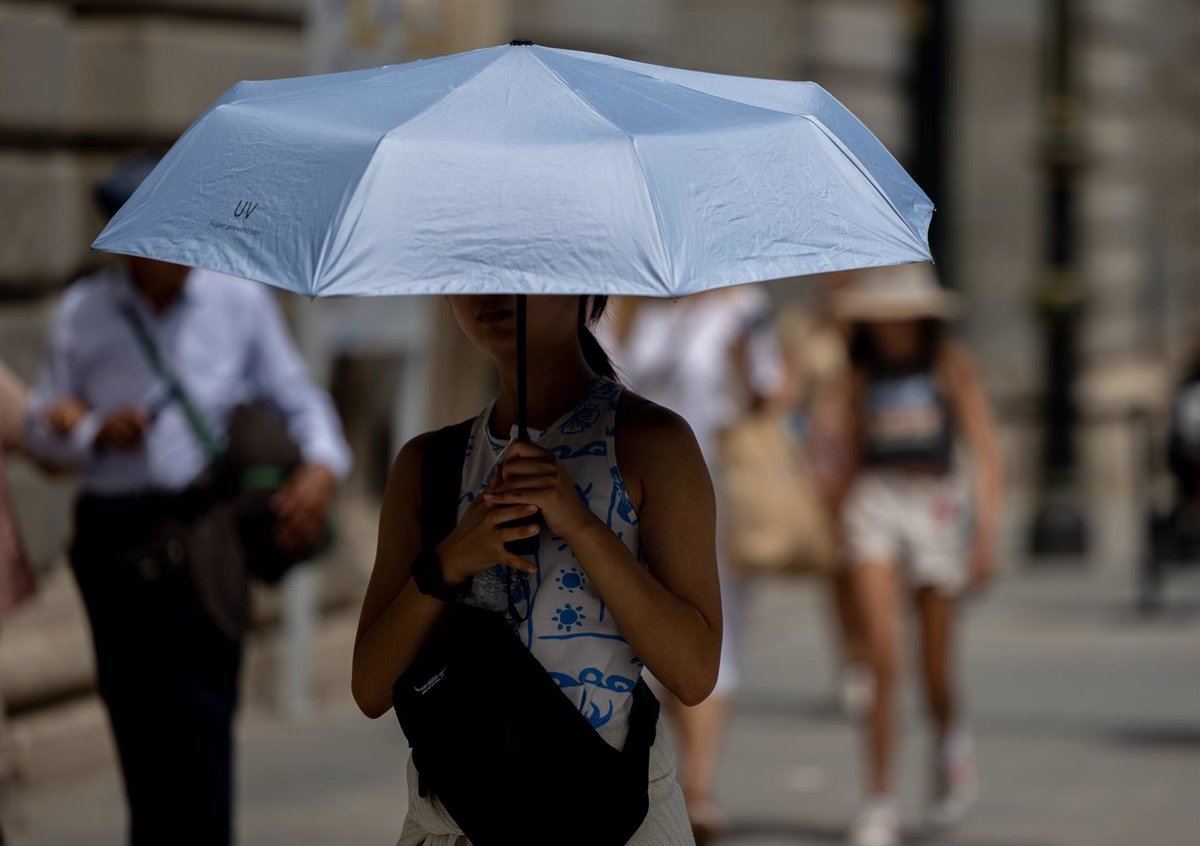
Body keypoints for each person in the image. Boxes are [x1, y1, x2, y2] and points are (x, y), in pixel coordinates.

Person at [21, 157, 352, 846]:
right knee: (138, 729)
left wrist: (322, 468)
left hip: (205, 533)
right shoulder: (85, 313)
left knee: (204, 725)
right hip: (114, 538)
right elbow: (41, 436)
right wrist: (89, 430)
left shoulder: (237, 299)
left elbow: (296, 394)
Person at [352, 294, 721, 845]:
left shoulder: (652, 443)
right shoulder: (428, 464)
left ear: (586, 285)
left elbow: (694, 674)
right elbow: (369, 686)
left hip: (611, 816)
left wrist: (580, 524)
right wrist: (449, 563)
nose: (489, 292)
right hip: (457, 821)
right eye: (470, 269)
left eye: (521, 268)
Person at [602, 286, 783, 843]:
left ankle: (699, 788)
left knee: (709, 634)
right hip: (628, 489)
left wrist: (741, 364)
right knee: (642, 638)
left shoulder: (744, 308)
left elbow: (770, 393)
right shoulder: (632, 304)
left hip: (712, 487)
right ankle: (669, 781)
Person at [836, 265, 1002, 846]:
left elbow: (984, 448)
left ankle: (949, 737)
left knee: (935, 664)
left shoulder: (950, 363)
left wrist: (986, 532)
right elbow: (849, 446)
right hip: (876, 500)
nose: (889, 322)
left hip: (935, 501)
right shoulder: (857, 367)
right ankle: (879, 799)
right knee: (882, 658)